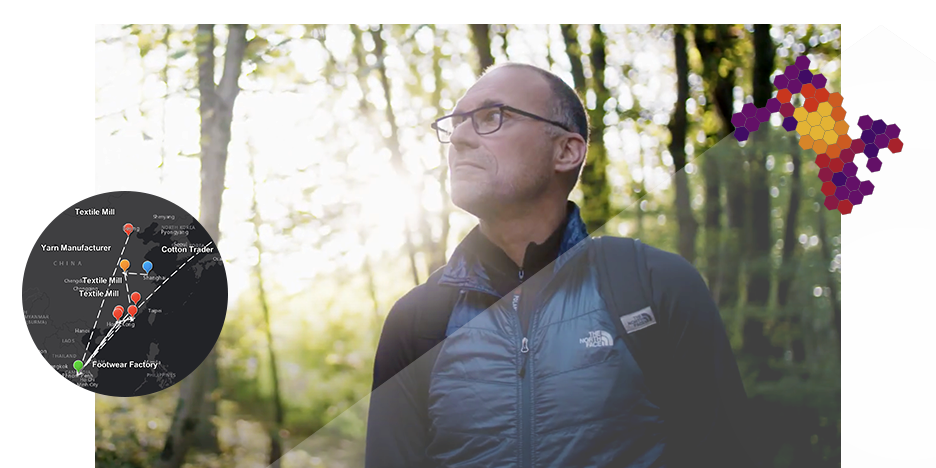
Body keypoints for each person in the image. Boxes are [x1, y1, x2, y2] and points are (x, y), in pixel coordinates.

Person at [364, 62, 759, 468]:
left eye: (490, 116)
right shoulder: (415, 322)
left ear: (567, 151)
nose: (460, 137)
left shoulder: (654, 285)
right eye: (457, 123)